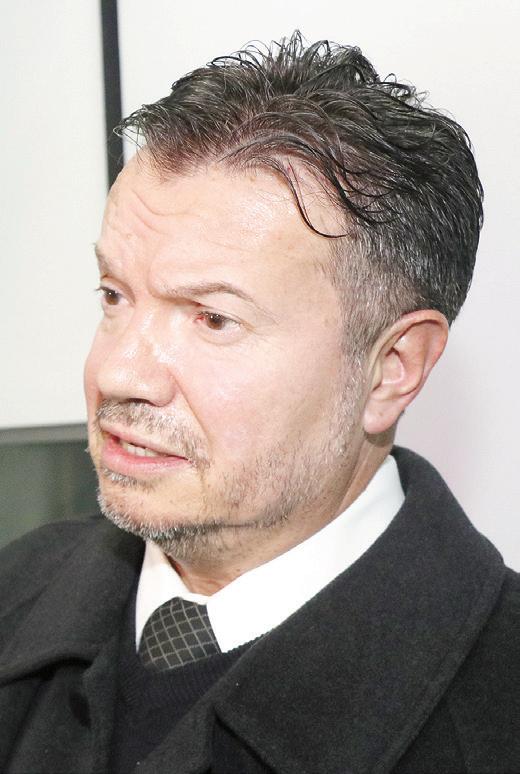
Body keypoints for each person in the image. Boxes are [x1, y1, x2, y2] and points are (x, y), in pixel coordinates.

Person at [1, 31, 518, 774]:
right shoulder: (18, 594)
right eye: (114, 296)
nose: (117, 372)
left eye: (213, 319)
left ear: (392, 369)